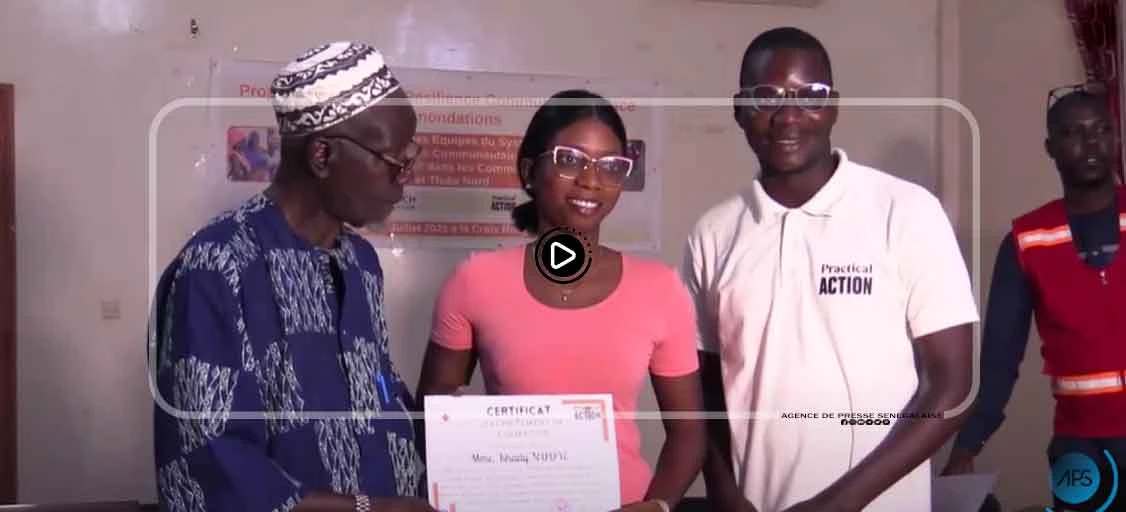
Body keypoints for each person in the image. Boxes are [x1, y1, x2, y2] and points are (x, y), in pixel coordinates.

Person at [684, 27, 979, 511]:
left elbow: (952, 387)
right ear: (740, 109)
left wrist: (837, 505)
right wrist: (726, 496)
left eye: (811, 95)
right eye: (767, 97)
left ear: (834, 107)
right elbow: (705, 393)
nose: (789, 116)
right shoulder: (713, 233)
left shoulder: (905, 211)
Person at [149, 41, 435, 512]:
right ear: (322, 156)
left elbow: (378, 404)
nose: (404, 178)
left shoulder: (360, 264)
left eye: (411, 156)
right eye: (393, 162)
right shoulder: (218, 266)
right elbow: (209, 464)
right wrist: (371, 508)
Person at [416, 89, 706, 512]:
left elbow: (690, 432)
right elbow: (432, 415)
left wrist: (658, 506)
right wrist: (476, 476)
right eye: (570, 160)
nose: (591, 180)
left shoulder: (660, 288)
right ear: (530, 171)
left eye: (610, 165)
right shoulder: (474, 280)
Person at [941, 83, 1126, 512]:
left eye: (1101, 130)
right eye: (1074, 133)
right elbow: (1000, 360)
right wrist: (967, 447)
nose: (1091, 143)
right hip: (1080, 446)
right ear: (1051, 148)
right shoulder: (1027, 241)